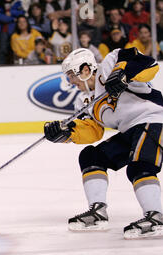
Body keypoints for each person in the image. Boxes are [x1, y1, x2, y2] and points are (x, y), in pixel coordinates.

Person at [43, 47, 163, 239]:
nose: (71, 82)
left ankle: (156, 217)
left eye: (71, 76)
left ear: (85, 69)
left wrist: (122, 74)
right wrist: (65, 133)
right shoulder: (85, 101)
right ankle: (98, 211)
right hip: (130, 131)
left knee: (140, 166)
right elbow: (92, 132)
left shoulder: (109, 65)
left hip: (154, 119)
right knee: (92, 156)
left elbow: (149, 64)